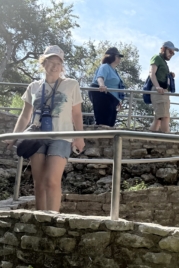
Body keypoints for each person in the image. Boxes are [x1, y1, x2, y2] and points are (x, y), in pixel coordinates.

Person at [6, 45, 85, 212]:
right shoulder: (33, 87)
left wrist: (79, 137)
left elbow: (77, 114)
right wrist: (14, 136)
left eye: (58, 62)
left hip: (62, 136)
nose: (55, 66)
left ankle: (52, 219)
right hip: (37, 136)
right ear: (43, 62)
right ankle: (40, 219)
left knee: (51, 180)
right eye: (51, 61)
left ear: (62, 66)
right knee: (39, 182)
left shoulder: (71, 84)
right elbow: (25, 115)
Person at [89, 47, 125, 127]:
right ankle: (100, 138)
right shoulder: (105, 66)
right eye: (118, 56)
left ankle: (107, 138)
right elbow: (100, 77)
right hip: (102, 94)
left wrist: (118, 100)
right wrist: (102, 85)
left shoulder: (114, 71)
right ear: (112, 56)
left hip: (111, 99)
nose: (120, 58)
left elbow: (116, 86)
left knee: (111, 123)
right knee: (103, 121)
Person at [149, 41, 178, 133]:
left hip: (163, 91)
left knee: (158, 118)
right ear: (163, 49)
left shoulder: (164, 62)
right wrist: (157, 87)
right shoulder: (156, 58)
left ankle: (149, 143)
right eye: (170, 51)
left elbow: (159, 74)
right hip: (159, 91)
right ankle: (167, 140)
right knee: (164, 117)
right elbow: (151, 73)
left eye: (173, 53)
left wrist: (169, 75)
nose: (172, 54)